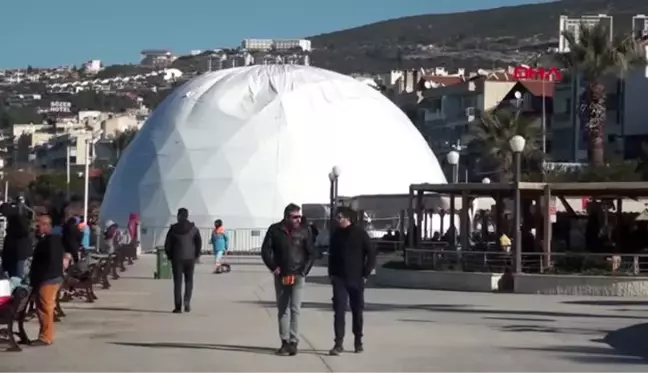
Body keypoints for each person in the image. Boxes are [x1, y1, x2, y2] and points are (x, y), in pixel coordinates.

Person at [261, 203, 315, 356]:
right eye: (295, 217)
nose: (298, 219)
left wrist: (304, 271)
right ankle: (284, 341)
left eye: (299, 216)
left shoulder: (305, 231)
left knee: (295, 309)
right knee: (283, 309)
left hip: (298, 275)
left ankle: (294, 341)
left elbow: (311, 253)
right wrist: (273, 267)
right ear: (286, 217)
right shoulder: (275, 230)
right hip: (282, 275)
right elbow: (265, 250)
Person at [327, 206, 377, 356]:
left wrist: (366, 273)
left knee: (357, 310)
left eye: (340, 217)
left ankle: (358, 341)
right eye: (336, 217)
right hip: (339, 278)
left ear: (348, 218)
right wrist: (332, 274)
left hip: (356, 278)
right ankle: (338, 343)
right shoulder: (336, 235)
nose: (337, 219)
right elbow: (332, 255)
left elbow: (371, 254)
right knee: (339, 311)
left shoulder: (360, 233)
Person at [29, 215, 65, 346]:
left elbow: (49, 262)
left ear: (46, 225)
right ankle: (44, 334)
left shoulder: (50, 241)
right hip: (50, 277)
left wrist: (40, 278)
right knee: (43, 308)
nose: (36, 228)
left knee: (45, 308)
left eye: (38, 226)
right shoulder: (52, 239)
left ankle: (46, 336)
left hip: (48, 279)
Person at [164, 208, 202, 313]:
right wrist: (196, 255)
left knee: (177, 283)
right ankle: (187, 302)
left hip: (177, 259)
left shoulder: (173, 229)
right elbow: (198, 242)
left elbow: (167, 245)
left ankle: (178, 306)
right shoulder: (194, 229)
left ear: (179, 216)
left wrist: (170, 256)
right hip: (190, 259)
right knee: (189, 281)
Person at [0, 201, 33, 278]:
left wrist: (11, 232)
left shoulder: (17, 218)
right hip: (15, 253)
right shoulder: (14, 217)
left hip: (19, 254)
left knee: (17, 277)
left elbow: (24, 232)